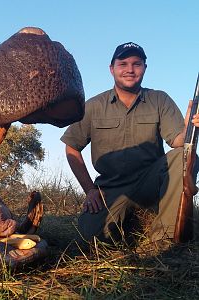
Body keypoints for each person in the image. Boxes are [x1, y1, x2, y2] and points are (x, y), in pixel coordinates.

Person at [60, 42, 199, 245]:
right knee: (89, 239)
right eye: (123, 63)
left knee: (186, 156)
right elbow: (72, 147)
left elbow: (178, 142)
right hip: (111, 187)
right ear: (112, 69)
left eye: (137, 64)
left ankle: (165, 241)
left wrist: (190, 129)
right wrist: (89, 190)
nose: (130, 70)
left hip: (149, 181)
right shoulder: (93, 106)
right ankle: (127, 223)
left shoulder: (159, 99)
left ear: (145, 67)